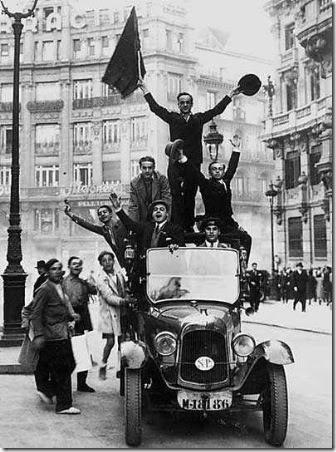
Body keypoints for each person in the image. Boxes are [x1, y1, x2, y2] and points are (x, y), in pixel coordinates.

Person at [138, 78, 241, 231]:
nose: (185, 105)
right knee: (175, 194)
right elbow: (155, 108)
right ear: (178, 105)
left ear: (191, 104)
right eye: (182, 102)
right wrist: (145, 89)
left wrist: (230, 95)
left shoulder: (198, 119)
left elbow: (216, 110)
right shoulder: (173, 118)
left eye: (187, 102)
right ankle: (176, 225)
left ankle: (188, 225)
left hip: (193, 163)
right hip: (175, 162)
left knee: (190, 194)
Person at [172, 136, 252, 261]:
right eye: (214, 169)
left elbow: (232, 167)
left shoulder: (226, 181)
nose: (217, 171)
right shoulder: (206, 184)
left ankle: (242, 266)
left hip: (228, 222)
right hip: (212, 221)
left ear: (223, 171)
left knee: (246, 238)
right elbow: (195, 172)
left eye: (220, 169)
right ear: (210, 172)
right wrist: (182, 158)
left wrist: (236, 149)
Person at [29, 259, 81, 415]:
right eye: (53, 269)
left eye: (59, 268)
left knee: (68, 364)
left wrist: (71, 316)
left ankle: (47, 389)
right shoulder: (44, 289)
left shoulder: (59, 286)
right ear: (47, 272)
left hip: (62, 332)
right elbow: (36, 313)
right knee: (64, 367)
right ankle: (64, 405)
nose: (57, 271)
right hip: (53, 335)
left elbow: (60, 307)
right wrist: (38, 334)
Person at [109, 194, 185, 258]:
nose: (158, 211)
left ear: (167, 214)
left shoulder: (175, 229)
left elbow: (182, 248)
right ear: (152, 214)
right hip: (147, 268)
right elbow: (130, 225)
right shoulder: (146, 227)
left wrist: (175, 247)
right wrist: (118, 209)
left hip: (165, 267)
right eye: (155, 209)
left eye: (161, 209)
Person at [62, 256, 97, 393]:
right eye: (74, 264)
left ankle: (82, 384)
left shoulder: (83, 282)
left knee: (82, 351)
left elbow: (95, 291)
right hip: (68, 318)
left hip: (81, 319)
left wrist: (91, 282)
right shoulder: (64, 282)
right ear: (69, 266)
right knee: (67, 353)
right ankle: (63, 385)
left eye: (79, 265)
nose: (77, 266)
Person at [96, 250, 128, 380]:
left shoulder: (119, 274)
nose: (108, 262)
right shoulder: (101, 279)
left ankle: (121, 368)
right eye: (104, 261)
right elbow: (108, 297)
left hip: (121, 312)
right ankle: (103, 364)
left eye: (110, 260)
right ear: (101, 264)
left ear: (113, 261)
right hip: (109, 314)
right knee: (110, 342)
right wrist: (123, 301)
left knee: (122, 342)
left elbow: (124, 289)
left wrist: (127, 296)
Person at [64, 202, 127, 267]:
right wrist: (70, 214)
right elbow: (86, 224)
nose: (102, 214)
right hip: (124, 263)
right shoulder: (104, 230)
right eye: (99, 214)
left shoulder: (122, 224)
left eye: (105, 212)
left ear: (111, 214)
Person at [128, 156, 171, 223]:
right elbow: (134, 207)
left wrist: (166, 223)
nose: (147, 171)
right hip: (143, 220)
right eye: (144, 168)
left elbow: (167, 201)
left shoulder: (162, 180)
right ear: (140, 168)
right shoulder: (134, 183)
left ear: (154, 168)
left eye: (150, 168)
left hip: (159, 218)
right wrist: (133, 226)